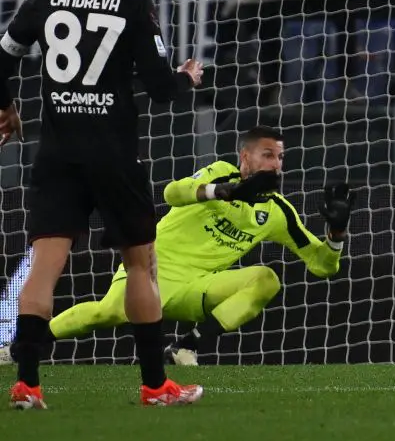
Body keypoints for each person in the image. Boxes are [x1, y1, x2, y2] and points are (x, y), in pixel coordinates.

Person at [0, 0, 205, 409]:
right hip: (114, 155)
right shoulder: (133, 3)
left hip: (58, 153)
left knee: (44, 266)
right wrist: (186, 77)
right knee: (141, 265)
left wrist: (6, 109)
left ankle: (27, 383)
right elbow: (160, 89)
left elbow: (2, 55)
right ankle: (156, 385)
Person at [0, 127, 357, 366]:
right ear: (245, 158)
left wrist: (336, 232)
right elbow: (172, 192)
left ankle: (187, 346)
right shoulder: (218, 172)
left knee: (266, 279)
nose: (276, 164)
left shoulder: (278, 212)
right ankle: (18, 350)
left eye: (280, 157)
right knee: (105, 314)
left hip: (196, 286)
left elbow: (323, 266)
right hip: (151, 269)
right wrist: (223, 191)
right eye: (267, 155)